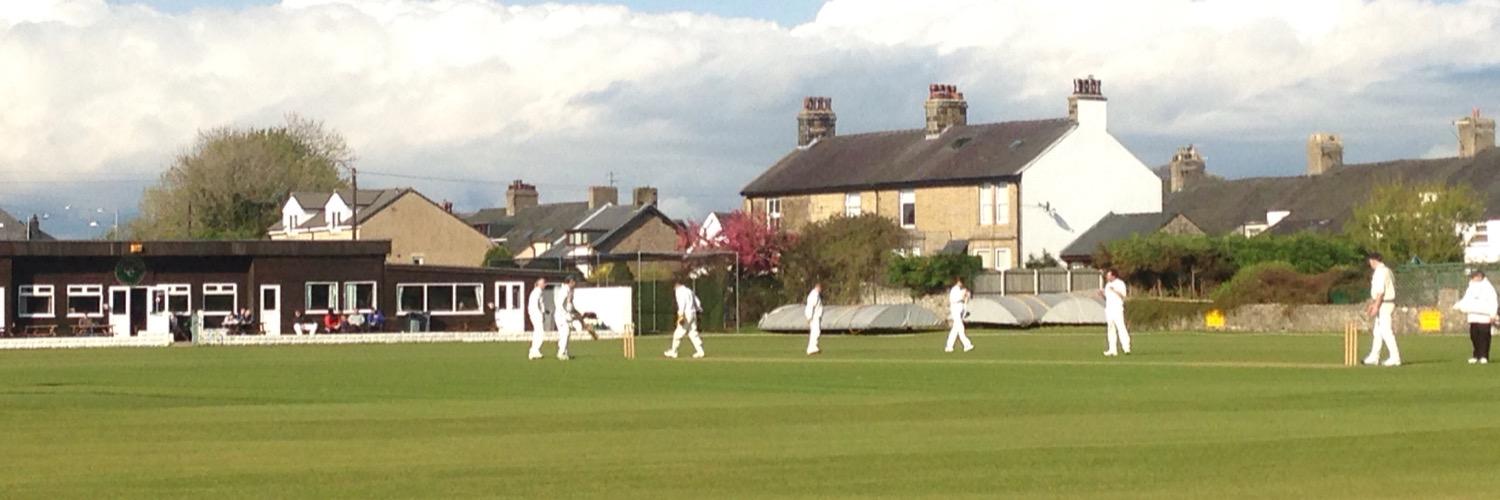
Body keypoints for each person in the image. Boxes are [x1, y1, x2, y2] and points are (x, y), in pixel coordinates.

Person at [1363, 253, 1401, 367]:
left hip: (1385, 304)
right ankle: (1374, 357)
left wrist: (1376, 306)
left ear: (1374, 260)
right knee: (1378, 332)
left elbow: (1381, 292)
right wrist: (1373, 304)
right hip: (1384, 303)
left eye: (1370, 261)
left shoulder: (1380, 272)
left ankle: (1395, 357)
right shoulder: (1387, 270)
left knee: (1385, 331)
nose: (1370, 264)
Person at [1453, 270, 1497, 364]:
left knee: (1484, 336)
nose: (1472, 279)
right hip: (1473, 316)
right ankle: (1476, 355)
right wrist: (1459, 305)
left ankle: (1484, 356)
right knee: (1474, 336)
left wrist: (1493, 314)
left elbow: (1493, 301)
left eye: (1474, 277)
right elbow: (1466, 299)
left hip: (1484, 317)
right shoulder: (1471, 287)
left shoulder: (1488, 288)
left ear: (1480, 277)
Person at [665, 280, 705, 359]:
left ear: (676, 286)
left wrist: (680, 315)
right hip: (693, 313)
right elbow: (696, 300)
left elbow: (681, 303)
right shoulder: (688, 290)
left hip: (686, 314)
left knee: (678, 333)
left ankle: (674, 351)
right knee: (692, 333)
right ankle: (700, 351)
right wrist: (699, 308)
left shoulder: (679, 291)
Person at [1101, 269, 1132, 357]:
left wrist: (1114, 290)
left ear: (1113, 276)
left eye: (1109, 275)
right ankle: (1112, 349)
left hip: (1117, 309)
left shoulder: (1120, 283)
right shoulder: (1107, 285)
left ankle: (1126, 347)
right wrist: (1102, 294)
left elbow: (1123, 296)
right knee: (1111, 328)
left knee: (1121, 327)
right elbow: (1107, 298)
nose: (1107, 277)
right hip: (1109, 309)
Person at [945, 278, 974, 353]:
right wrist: (963, 295)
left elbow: (965, 300)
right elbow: (953, 299)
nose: (961, 284)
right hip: (955, 308)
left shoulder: (962, 290)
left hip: (961, 309)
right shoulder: (954, 290)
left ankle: (949, 346)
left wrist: (967, 296)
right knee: (960, 327)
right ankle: (967, 344)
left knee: (955, 329)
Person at [553, 277, 576, 360]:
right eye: (574, 282)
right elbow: (560, 304)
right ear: (570, 282)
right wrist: (566, 314)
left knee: (566, 334)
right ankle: (561, 353)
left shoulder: (569, 290)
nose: (575, 284)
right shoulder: (564, 291)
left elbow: (569, 305)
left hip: (564, 316)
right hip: (561, 316)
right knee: (565, 333)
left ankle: (564, 352)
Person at [527, 278, 550, 360]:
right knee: (540, 332)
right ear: (539, 284)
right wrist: (542, 313)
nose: (545, 284)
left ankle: (533, 350)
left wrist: (544, 311)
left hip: (534, 313)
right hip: (536, 313)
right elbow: (538, 303)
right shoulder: (538, 291)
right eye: (544, 283)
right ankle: (535, 350)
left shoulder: (536, 292)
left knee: (537, 332)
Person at [805, 282, 823, 355]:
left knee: (814, 332)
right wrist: (809, 317)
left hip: (815, 316)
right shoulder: (814, 295)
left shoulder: (815, 294)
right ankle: (813, 347)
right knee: (816, 332)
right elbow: (811, 306)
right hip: (814, 316)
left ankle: (812, 347)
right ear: (818, 287)